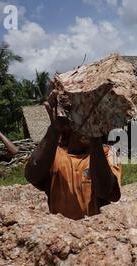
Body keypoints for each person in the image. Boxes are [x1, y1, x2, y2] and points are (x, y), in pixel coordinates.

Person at [25, 88, 121, 220]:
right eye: (81, 119)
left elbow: (107, 192)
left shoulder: (108, 153)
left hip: (93, 234)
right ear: (69, 123)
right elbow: (32, 176)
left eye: (90, 119)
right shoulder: (55, 154)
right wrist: (54, 129)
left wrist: (94, 135)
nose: (85, 126)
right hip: (60, 234)